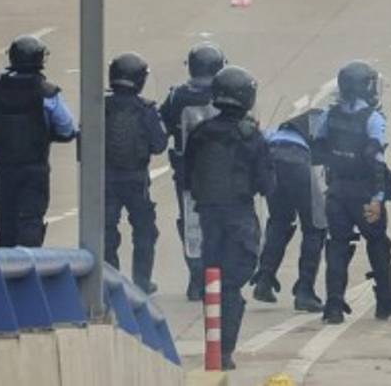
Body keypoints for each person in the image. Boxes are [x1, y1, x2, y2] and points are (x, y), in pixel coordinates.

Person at [183, 65, 275, 371]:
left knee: (213, 280)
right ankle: (224, 351)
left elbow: (186, 175)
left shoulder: (200, 132)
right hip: (238, 217)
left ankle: (214, 347)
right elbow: (266, 185)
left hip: (209, 217)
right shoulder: (251, 136)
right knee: (231, 287)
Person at [314, 61, 391, 324]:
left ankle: (333, 305)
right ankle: (385, 302)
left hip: (337, 191)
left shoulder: (328, 115)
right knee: (378, 244)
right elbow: (376, 160)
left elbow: (319, 149)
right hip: (365, 192)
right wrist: (378, 198)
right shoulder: (373, 119)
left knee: (337, 246)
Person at [0, 35, 77, 247]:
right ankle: (29, 268)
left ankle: (5, 270)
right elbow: (67, 128)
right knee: (31, 219)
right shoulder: (47, 93)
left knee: (6, 218)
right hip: (35, 167)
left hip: (4, 167)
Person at [159, 42, 226, 300]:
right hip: (222, 172)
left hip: (187, 172)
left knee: (189, 223)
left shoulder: (178, 96)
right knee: (221, 221)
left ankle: (197, 278)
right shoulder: (226, 91)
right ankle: (215, 275)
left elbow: (161, 124)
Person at [102, 53, 167, 294]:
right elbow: (159, 144)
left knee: (107, 230)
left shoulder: (101, 106)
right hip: (136, 179)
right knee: (145, 230)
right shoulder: (146, 109)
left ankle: (110, 280)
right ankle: (141, 281)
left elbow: (83, 143)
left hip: (106, 178)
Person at [251, 109, 326, 313]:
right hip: (296, 161)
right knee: (315, 226)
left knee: (279, 221)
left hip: (272, 158)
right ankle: (305, 291)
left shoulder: (282, 127)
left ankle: (264, 280)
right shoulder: (324, 117)